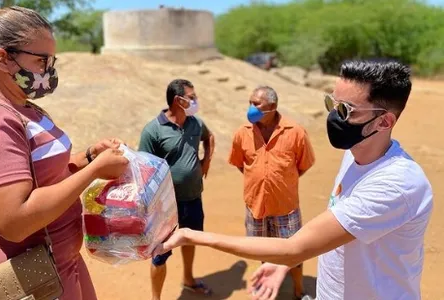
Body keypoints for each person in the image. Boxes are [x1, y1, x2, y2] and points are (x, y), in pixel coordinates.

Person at [156, 59, 433, 300]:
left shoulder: (395, 184)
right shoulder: (355, 154)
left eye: (346, 111)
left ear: (384, 122)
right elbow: (331, 228)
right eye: (332, 104)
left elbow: (293, 247)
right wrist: (282, 263)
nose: (334, 116)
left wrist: (191, 234)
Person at [0, 7, 129, 299]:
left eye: (52, 61)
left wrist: (88, 156)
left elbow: (44, 174)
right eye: (40, 60)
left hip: (60, 261)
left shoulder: (22, 106)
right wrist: (93, 172)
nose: (49, 70)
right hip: (34, 275)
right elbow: (15, 221)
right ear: (2, 59)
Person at [228, 85, 315, 300]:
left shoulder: (295, 132)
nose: (251, 108)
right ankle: (266, 286)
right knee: (261, 250)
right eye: (249, 102)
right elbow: (241, 164)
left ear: (273, 106)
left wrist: (282, 182)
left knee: (293, 252)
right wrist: (259, 181)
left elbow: (303, 165)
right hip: (255, 205)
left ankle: (298, 290)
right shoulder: (242, 133)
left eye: (256, 104)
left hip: (285, 206)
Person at [138, 79, 215, 299]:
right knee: (160, 254)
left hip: (193, 198)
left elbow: (209, 138)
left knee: (191, 239)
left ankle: (189, 280)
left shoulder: (195, 123)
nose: (195, 100)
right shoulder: (153, 130)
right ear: (178, 100)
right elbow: (144, 167)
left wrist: (206, 162)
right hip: (165, 206)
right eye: (191, 97)